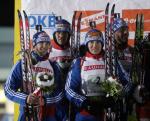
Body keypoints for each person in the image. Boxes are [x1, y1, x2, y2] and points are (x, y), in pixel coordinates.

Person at [4, 30, 64, 121]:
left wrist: (45, 100)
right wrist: (25, 98)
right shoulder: (23, 64)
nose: (44, 46)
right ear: (34, 45)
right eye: (41, 42)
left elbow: (61, 92)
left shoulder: (53, 66)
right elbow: (8, 89)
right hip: (28, 112)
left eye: (47, 43)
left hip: (48, 113)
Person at [65, 28, 106, 121]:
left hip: (106, 111)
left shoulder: (109, 61)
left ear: (102, 44)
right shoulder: (79, 62)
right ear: (87, 44)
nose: (94, 45)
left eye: (98, 42)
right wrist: (83, 102)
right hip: (84, 113)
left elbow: (125, 82)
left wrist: (114, 97)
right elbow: (68, 89)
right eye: (91, 42)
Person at [49, 19, 73, 120]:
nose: (61, 36)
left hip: (70, 98)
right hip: (53, 98)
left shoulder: (74, 51)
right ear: (54, 34)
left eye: (64, 33)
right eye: (58, 32)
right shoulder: (47, 50)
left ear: (69, 35)